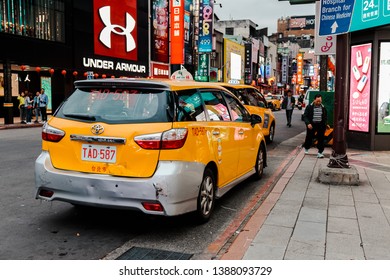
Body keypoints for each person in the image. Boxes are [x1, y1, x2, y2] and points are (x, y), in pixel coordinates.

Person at [302, 93, 328, 158]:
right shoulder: (309, 107)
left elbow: (325, 117)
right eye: (317, 101)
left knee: (321, 138)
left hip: (320, 125)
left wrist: (326, 124)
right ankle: (307, 147)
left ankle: (320, 152)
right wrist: (308, 123)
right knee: (309, 137)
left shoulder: (323, 107)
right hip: (312, 124)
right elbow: (305, 116)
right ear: (314, 100)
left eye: (320, 101)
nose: (318, 102)